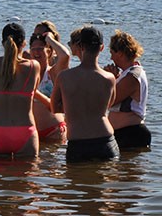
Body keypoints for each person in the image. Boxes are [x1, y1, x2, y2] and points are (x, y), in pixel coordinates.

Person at [51, 26, 120, 162]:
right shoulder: (109, 78)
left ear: (81, 46)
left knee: (76, 182)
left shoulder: (64, 77)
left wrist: (74, 106)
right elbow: (108, 105)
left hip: (77, 142)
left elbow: (55, 108)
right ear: (101, 48)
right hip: (104, 141)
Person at [0, 22, 40, 158]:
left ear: (2, 43)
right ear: (24, 43)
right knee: (26, 177)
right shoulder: (33, 66)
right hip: (24, 130)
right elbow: (35, 88)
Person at [106, 29, 151, 149]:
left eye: (112, 53)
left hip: (131, 133)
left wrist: (109, 80)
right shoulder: (126, 74)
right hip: (124, 132)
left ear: (120, 53)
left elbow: (111, 100)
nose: (111, 58)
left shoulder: (133, 75)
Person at [29, 31, 71, 143]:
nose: (36, 52)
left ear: (49, 52)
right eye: (33, 48)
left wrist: (50, 39)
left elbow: (65, 55)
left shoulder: (53, 72)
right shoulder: (26, 73)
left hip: (53, 131)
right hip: (31, 133)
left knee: (54, 160)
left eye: (40, 48)